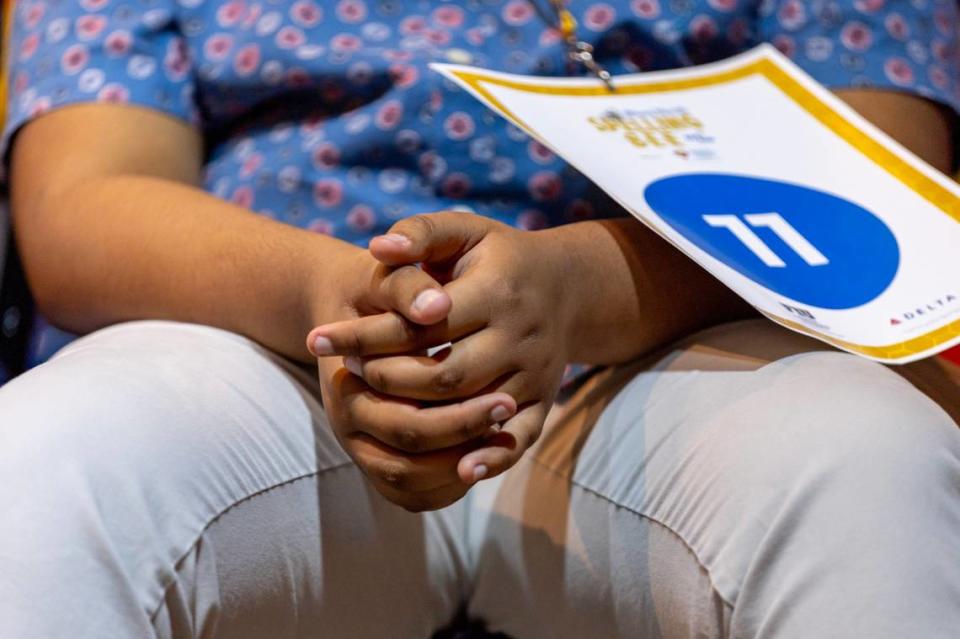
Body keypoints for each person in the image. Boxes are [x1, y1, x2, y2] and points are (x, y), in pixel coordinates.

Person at [0, 0, 958, 636]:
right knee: (44, 463)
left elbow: (880, 179)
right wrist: (337, 299)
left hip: (666, 357)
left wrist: (581, 291)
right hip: (273, 355)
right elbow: (84, 195)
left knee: (866, 462)